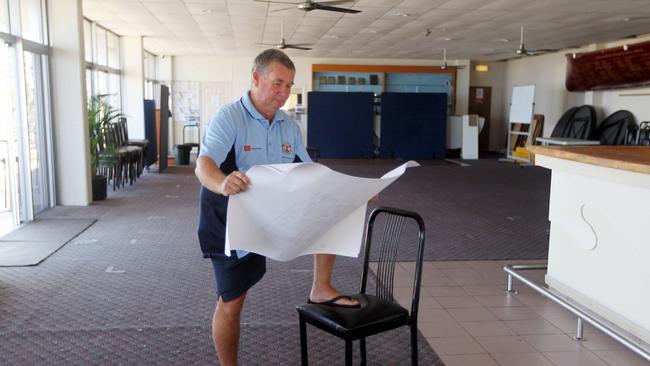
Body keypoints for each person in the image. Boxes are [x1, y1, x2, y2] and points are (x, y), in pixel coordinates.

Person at [195, 49, 359, 366]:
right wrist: (222, 183)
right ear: (256, 78)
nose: (284, 93)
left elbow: (310, 173)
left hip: (275, 213)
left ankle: (321, 287)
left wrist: (350, 190)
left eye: (289, 86)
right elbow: (203, 165)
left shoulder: (288, 126)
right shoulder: (229, 117)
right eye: (277, 84)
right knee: (231, 302)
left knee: (332, 208)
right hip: (231, 221)